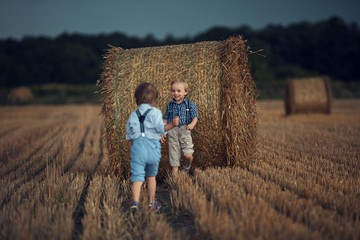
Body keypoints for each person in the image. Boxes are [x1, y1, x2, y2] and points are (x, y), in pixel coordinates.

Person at [126, 82, 179, 213]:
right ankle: (151, 202)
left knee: (137, 177)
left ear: (137, 99)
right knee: (151, 177)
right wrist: (172, 124)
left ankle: (135, 203)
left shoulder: (133, 115)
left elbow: (129, 137)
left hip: (137, 149)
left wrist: (131, 154)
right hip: (152, 149)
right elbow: (162, 128)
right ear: (154, 100)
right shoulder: (155, 112)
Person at [162, 78, 199, 175]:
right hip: (172, 131)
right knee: (174, 154)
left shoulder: (190, 104)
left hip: (184, 130)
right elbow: (166, 118)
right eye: (173, 91)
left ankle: (187, 166)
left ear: (185, 92)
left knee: (189, 155)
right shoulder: (169, 105)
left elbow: (195, 117)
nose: (175, 93)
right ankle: (175, 178)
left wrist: (192, 124)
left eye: (179, 91)